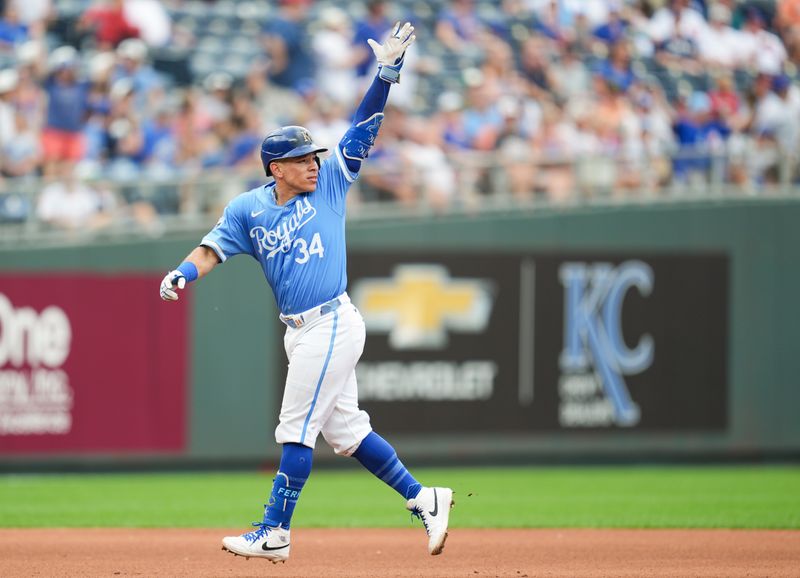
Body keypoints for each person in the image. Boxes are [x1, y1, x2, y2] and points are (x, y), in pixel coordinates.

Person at [158, 22, 454, 563]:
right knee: (347, 433)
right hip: (299, 331)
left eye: (314, 155)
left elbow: (363, 127)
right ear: (276, 167)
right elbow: (210, 251)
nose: (314, 163)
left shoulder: (335, 181)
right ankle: (424, 497)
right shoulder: (248, 208)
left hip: (332, 320)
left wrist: (386, 74)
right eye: (302, 159)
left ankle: (275, 531)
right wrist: (182, 273)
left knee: (295, 428)